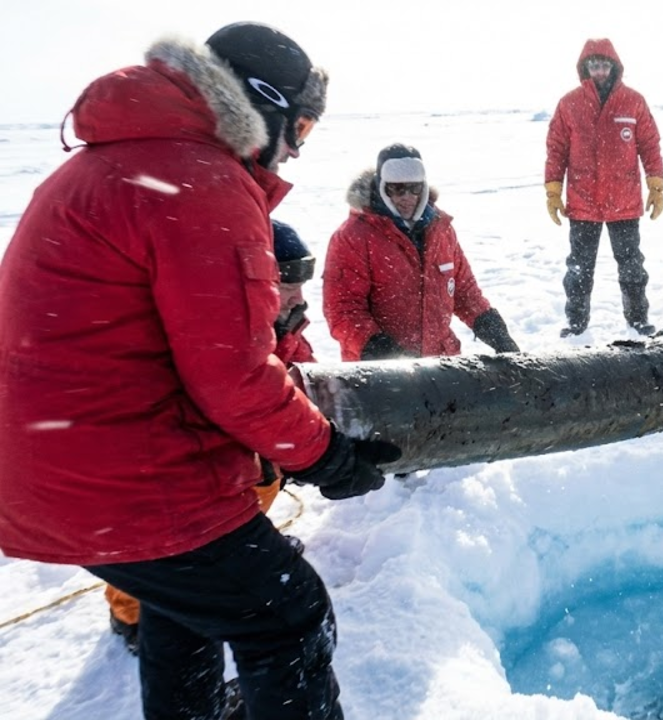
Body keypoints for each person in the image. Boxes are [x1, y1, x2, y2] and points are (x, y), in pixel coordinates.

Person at [0, 23, 401, 719]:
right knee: (288, 616)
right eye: (300, 125)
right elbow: (233, 377)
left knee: (182, 598)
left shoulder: (112, 162)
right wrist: (326, 456)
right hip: (120, 479)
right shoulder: (200, 179)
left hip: (52, 470)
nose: (297, 146)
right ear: (262, 104)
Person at [104, 220, 320, 655]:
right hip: (163, 475)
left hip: (242, 457)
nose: (297, 295)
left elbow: (304, 380)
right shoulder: (216, 329)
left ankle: (244, 543)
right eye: (286, 283)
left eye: (301, 282)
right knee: (152, 541)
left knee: (265, 475)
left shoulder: (283, 325)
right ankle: (131, 614)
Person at [324, 143, 521, 360]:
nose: (407, 197)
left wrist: (496, 333)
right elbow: (343, 310)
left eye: (414, 188)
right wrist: (383, 352)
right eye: (397, 189)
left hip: (439, 367)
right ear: (383, 187)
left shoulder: (441, 229)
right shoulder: (353, 237)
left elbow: (464, 291)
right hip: (379, 377)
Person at [545, 38, 663, 338]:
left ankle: (638, 319)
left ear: (614, 66)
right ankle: (576, 324)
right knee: (579, 270)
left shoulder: (634, 101)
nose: (599, 71)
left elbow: (649, 144)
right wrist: (552, 189)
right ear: (586, 68)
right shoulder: (569, 103)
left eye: (604, 65)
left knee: (632, 267)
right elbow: (556, 149)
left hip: (623, 202)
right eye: (594, 65)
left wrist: (656, 183)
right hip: (582, 201)